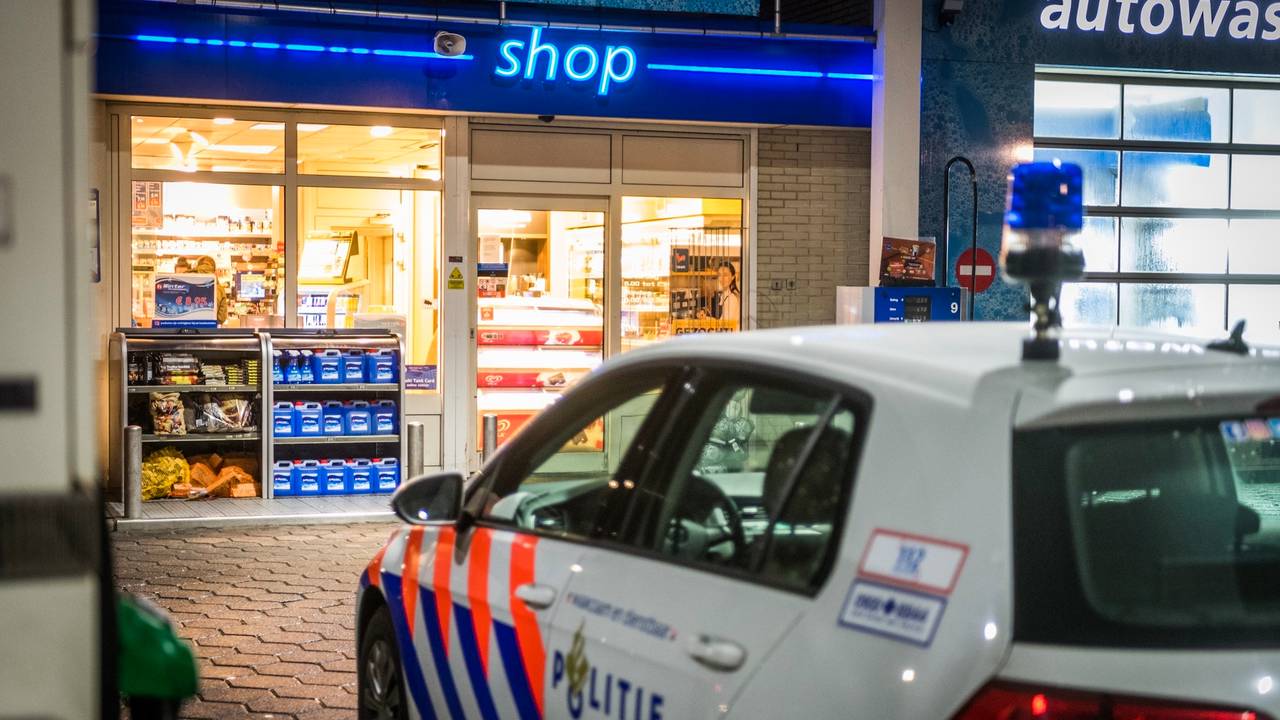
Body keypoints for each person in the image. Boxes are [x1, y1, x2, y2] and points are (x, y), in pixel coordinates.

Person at [193, 255, 229, 325]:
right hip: (209, 329)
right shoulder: (219, 289)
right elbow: (221, 318)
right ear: (214, 270)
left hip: (187, 328)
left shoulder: (186, 280)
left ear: (197, 266)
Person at [709, 260, 741, 326]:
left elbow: (726, 325)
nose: (721, 278)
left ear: (733, 277)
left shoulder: (732, 298)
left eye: (725, 275)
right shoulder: (726, 294)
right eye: (720, 275)